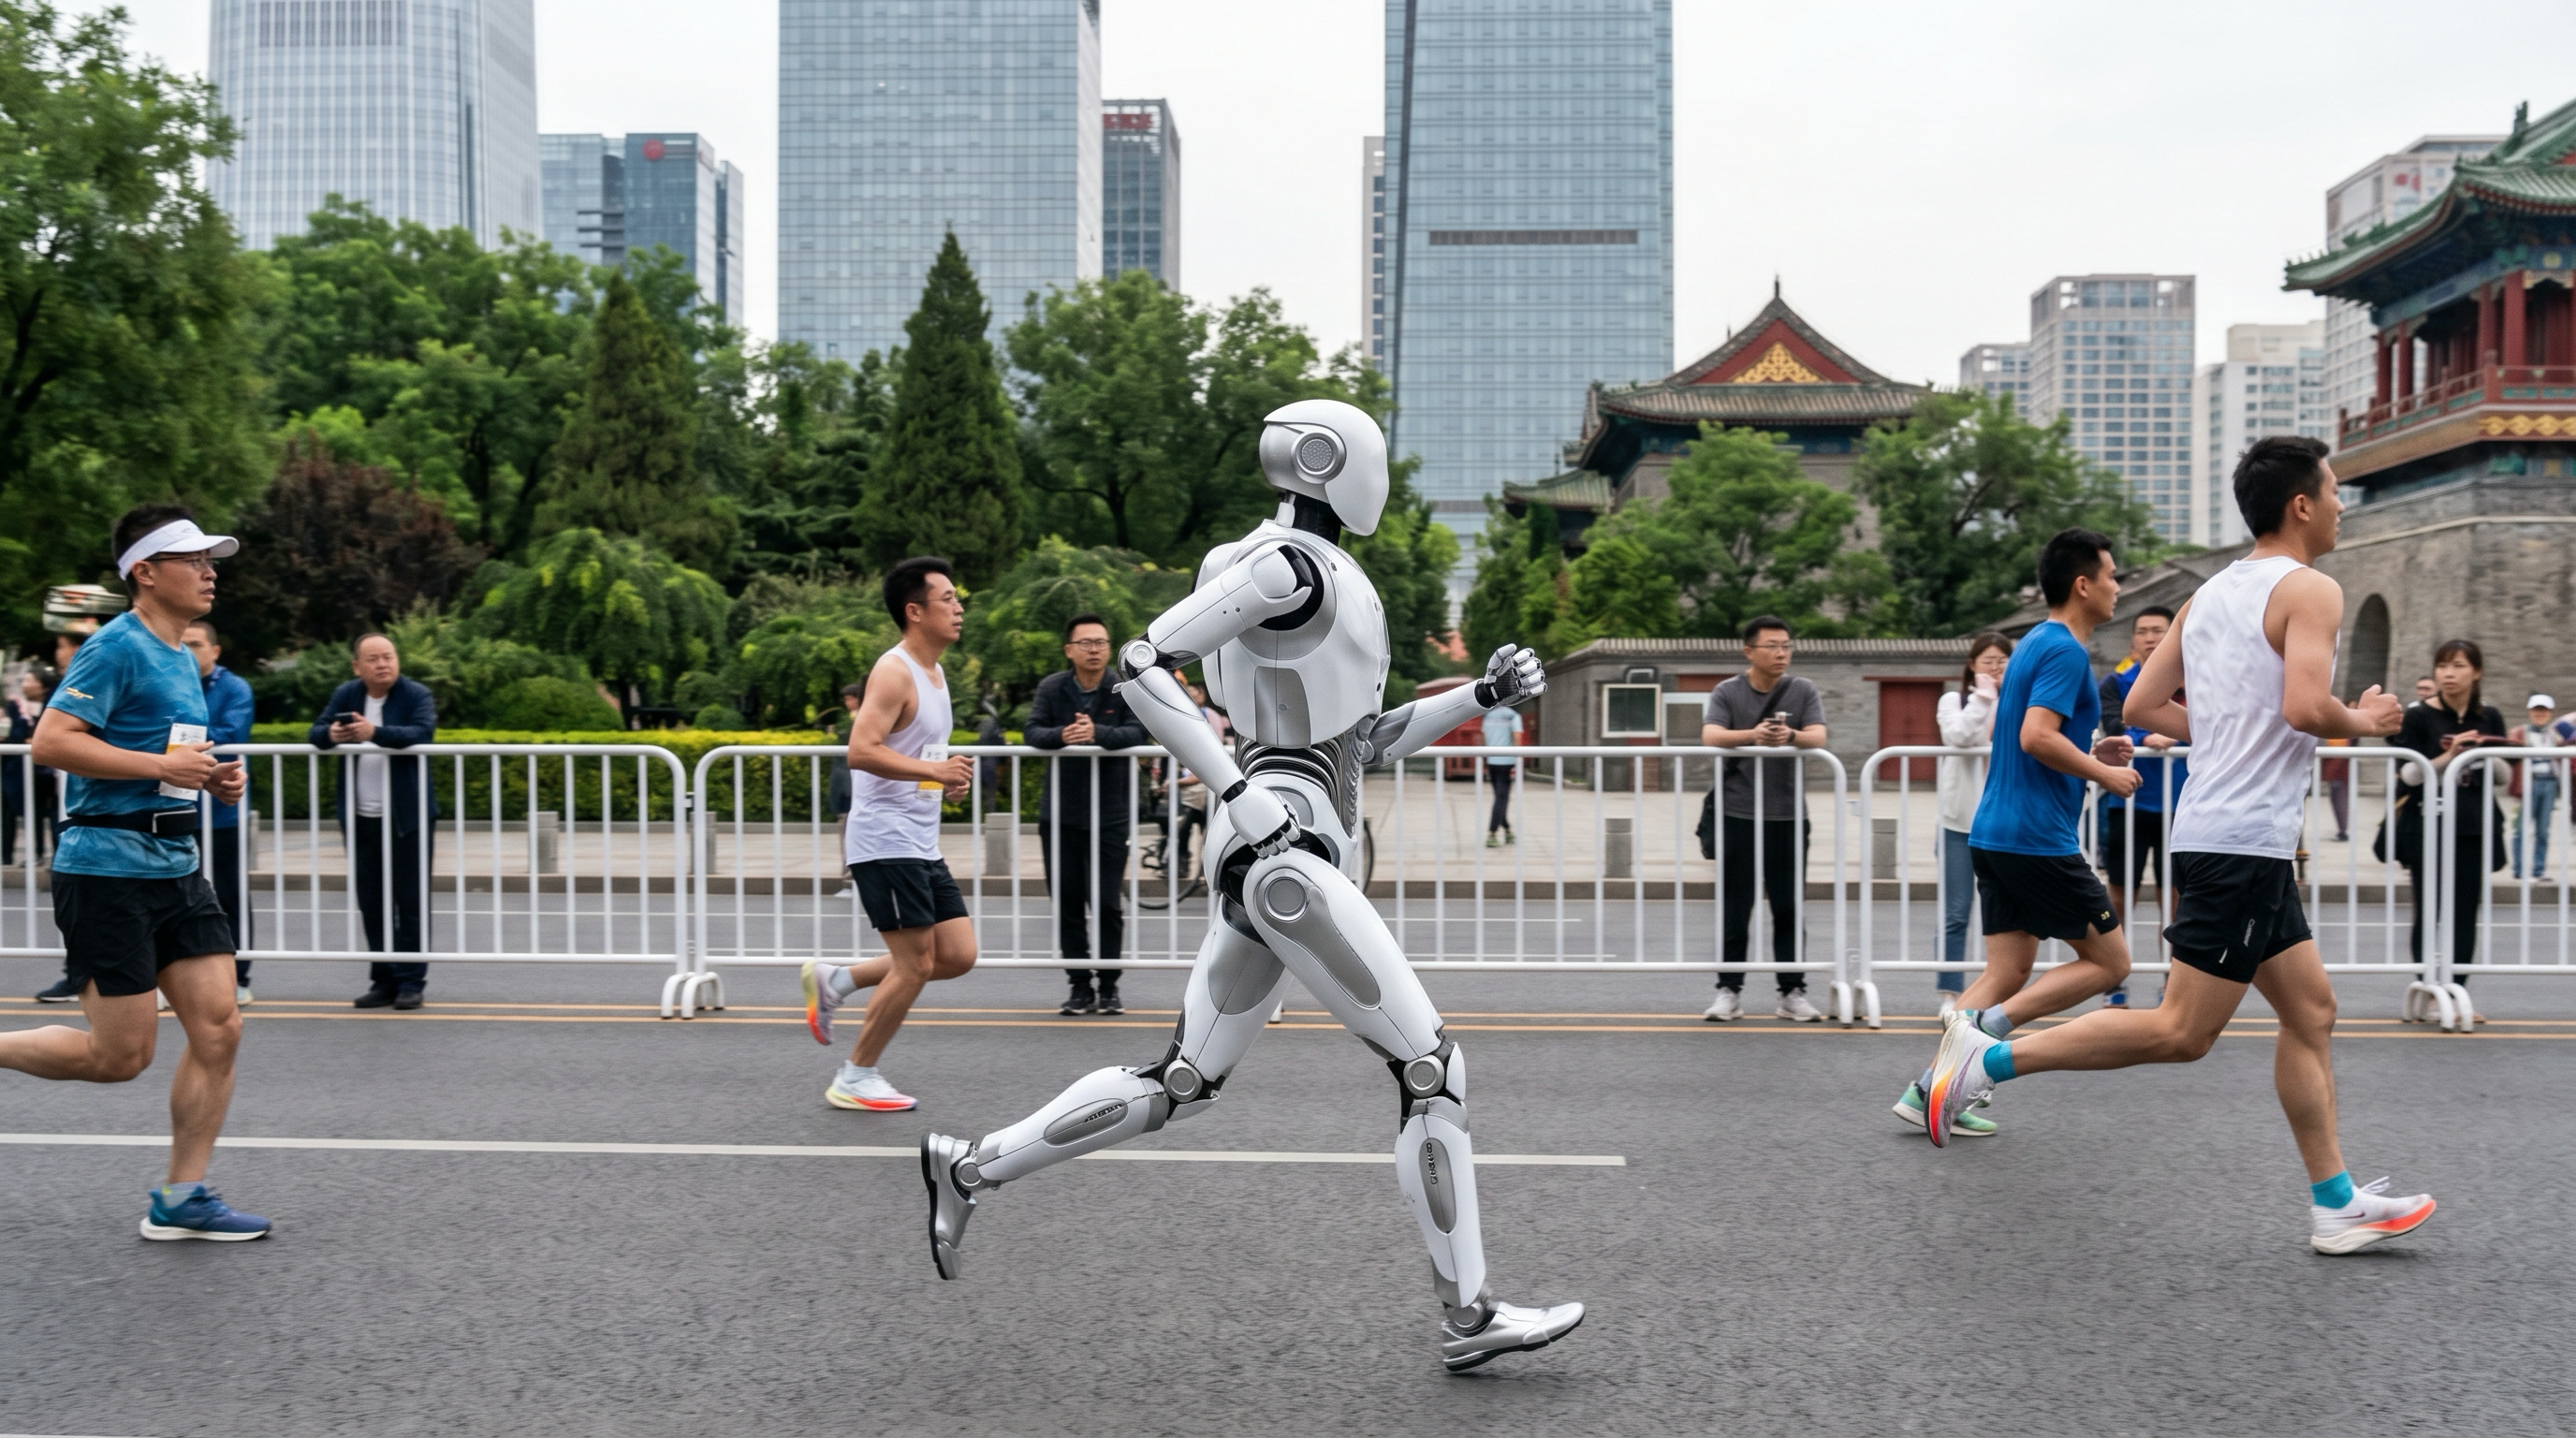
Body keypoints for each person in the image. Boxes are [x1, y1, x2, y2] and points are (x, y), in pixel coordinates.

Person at [920, 400, 1583, 1372]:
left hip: (1285, 838)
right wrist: (1234, 788)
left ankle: (967, 1169)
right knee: (1430, 1068)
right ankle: (1469, 1313)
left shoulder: (1298, 574)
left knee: (1183, 1082)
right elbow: (1144, 665)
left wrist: (1478, 697)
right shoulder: (1284, 567)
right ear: (1338, 464)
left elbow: (1363, 739)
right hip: (1283, 849)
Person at [1917, 435, 2437, 1256]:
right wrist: (2364, 722)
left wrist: (2230, 734)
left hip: (2229, 837)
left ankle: (2337, 1204)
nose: (2342, 505)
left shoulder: (2210, 597)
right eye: (2335, 491)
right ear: (2301, 505)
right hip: (2241, 843)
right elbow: (2306, 706)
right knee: (2180, 1032)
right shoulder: (2312, 590)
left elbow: (2142, 704)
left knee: (2312, 1012)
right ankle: (1988, 1062)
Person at [0, 505, 270, 1240]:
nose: (211, 572)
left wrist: (207, 779)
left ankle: (182, 1198)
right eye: (194, 560)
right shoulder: (115, 647)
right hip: (107, 870)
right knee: (119, 1057)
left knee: (219, 1029)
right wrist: (162, 765)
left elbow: (168, 760)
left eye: (212, 560)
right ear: (145, 573)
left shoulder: (183, 653)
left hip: (175, 867)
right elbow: (52, 743)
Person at [1889, 529, 2136, 1139]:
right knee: (2110, 963)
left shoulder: (2030, 644)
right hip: (2035, 838)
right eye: (2111, 575)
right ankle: (1983, 1050)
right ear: (2083, 584)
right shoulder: (2066, 652)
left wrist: (2087, 746)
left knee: (2007, 970)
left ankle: (1929, 1092)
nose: (2117, 586)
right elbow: (2034, 738)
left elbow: (2035, 734)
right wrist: (2104, 771)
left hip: (1994, 832)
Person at [796, 557, 976, 1111]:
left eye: (956, 596)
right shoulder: (894, 670)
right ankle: (855, 1075)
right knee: (916, 964)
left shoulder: (936, 672)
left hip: (919, 839)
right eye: (947, 598)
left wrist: (944, 779)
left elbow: (911, 750)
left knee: (958, 954)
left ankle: (839, 980)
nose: (959, 606)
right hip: (884, 841)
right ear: (914, 611)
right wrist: (933, 772)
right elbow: (861, 750)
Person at [1700, 615, 1829, 1023]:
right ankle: (1728, 991)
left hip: (1787, 816)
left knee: (1789, 908)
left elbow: (1819, 736)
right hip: (1737, 812)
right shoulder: (1728, 691)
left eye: (1787, 646)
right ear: (1749, 651)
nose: (1781, 653)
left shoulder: (1802, 689)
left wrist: (1789, 737)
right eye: (1772, 645)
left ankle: (1792, 992)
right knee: (1736, 908)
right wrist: (1753, 735)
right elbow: (1711, 734)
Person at [1025, 613, 1149, 1016]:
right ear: (1069, 650)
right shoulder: (1052, 688)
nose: (1094, 650)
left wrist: (1097, 734)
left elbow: (1137, 733)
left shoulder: (1124, 687)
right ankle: (1079, 986)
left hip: (1110, 813)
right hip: (1060, 814)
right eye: (1086, 643)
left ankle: (1109, 986)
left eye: (1100, 642)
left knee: (1107, 902)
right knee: (1067, 902)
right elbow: (1032, 733)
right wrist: (1063, 735)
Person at [308, 634, 440, 1010]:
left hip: (406, 818)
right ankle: (383, 979)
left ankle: (411, 980)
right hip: (361, 817)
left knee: (409, 901)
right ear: (357, 666)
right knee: (373, 901)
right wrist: (332, 734)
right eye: (373, 658)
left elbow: (422, 732)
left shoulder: (415, 694)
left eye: (388, 657)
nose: (382, 664)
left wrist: (375, 734)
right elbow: (315, 732)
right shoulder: (348, 694)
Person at [2392, 638, 2506, 1020]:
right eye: (2442, 666)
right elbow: (2408, 774)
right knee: (2429, 909)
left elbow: (2504, 776)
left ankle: (2456, 991)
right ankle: (2427, 988)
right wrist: (2450, 756)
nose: (2448, 674)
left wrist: (2488, 750)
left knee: (2464, 912)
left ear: (2476, 672)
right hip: (2426, 825)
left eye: (2457, 666)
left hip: (2472, 824)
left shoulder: (2489, 716)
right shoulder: (2418, 716)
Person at [2095, 605, 2188, 1008]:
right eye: (2143, 631)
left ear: (2175, 636)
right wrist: (2150, 736)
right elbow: (2114, 726)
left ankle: (2174, 984)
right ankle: (2112, 980)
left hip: (2182, 808)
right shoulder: (2115, 682)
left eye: (2159, 631)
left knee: (2175, 902)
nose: (2151, 638)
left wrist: (2168, 735)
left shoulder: (2197, 681)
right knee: (2119, 898)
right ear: (2133, 639)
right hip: (2128, 803)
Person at [1933, 632, 2012, 1008]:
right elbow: (1959, 736)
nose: (1995, 669)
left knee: (2006, 912)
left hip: (2004, 820)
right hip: (1960, 820)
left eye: (2002, 661)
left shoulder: (2018, 699)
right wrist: (1982, 698)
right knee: (1956, 911)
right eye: (1988, 661)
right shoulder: (1955, 700)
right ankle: (1951, 992)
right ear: (1972, 665)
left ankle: (1995, 992)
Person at [184, 622, 256, 1005]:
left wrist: (184, 734)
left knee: (228, 895)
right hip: (178, 806)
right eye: (182, 644)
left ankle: (239, 976)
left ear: (215, 650)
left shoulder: (234, 688)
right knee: (178, 898)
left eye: (195, 644)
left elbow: (230, 735)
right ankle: (183, 979)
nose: (188, 650)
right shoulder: (172, 681)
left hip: (223, 812)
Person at [2510, 695, 2569, 881]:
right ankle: (2519, 869)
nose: (2540, 714)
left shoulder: (2555, 735)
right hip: (2529, 781)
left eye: (2543, 710)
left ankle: (2539, 869)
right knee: (2521, 827)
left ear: (2550, 713)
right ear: (2529, 711)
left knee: (2543, 829)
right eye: (2536, 710)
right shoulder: (2520, 732)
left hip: (2549, 781)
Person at [1482, 702, 1521, 846]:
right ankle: (1492, 833)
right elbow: (1517, 737)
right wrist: (1519, 757)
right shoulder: (1513, 716)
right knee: (1502, 798)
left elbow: (1484, 738)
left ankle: (1508, 830)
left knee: (1499, 798)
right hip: (1507, 761)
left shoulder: (1488, 716)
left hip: (1492, 761)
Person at [2320, 737, 2353, 843]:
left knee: (2339, 793)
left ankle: (2343, 830)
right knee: (2339, 793)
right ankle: (2342, 830)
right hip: (2339, 754)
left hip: (2338, 754)